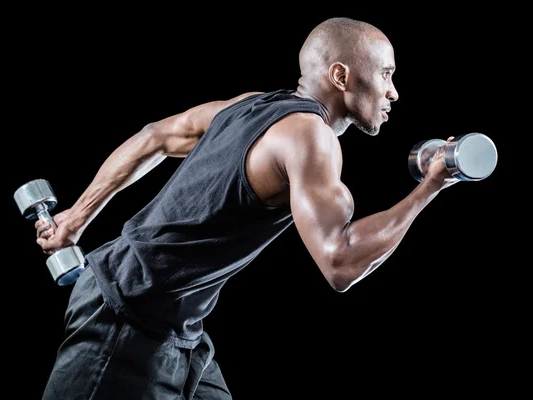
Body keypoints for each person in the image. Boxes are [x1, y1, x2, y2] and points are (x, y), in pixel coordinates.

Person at [35, 16, 458, 399]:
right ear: (341, 75)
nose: (393, 91)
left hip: (176, 329)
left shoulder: (252, 105)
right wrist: (432, 186)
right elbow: (340, 262)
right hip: (125, 317)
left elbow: (155, 136)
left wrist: (74, 218)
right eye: (386, 74)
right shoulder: (311, 138)